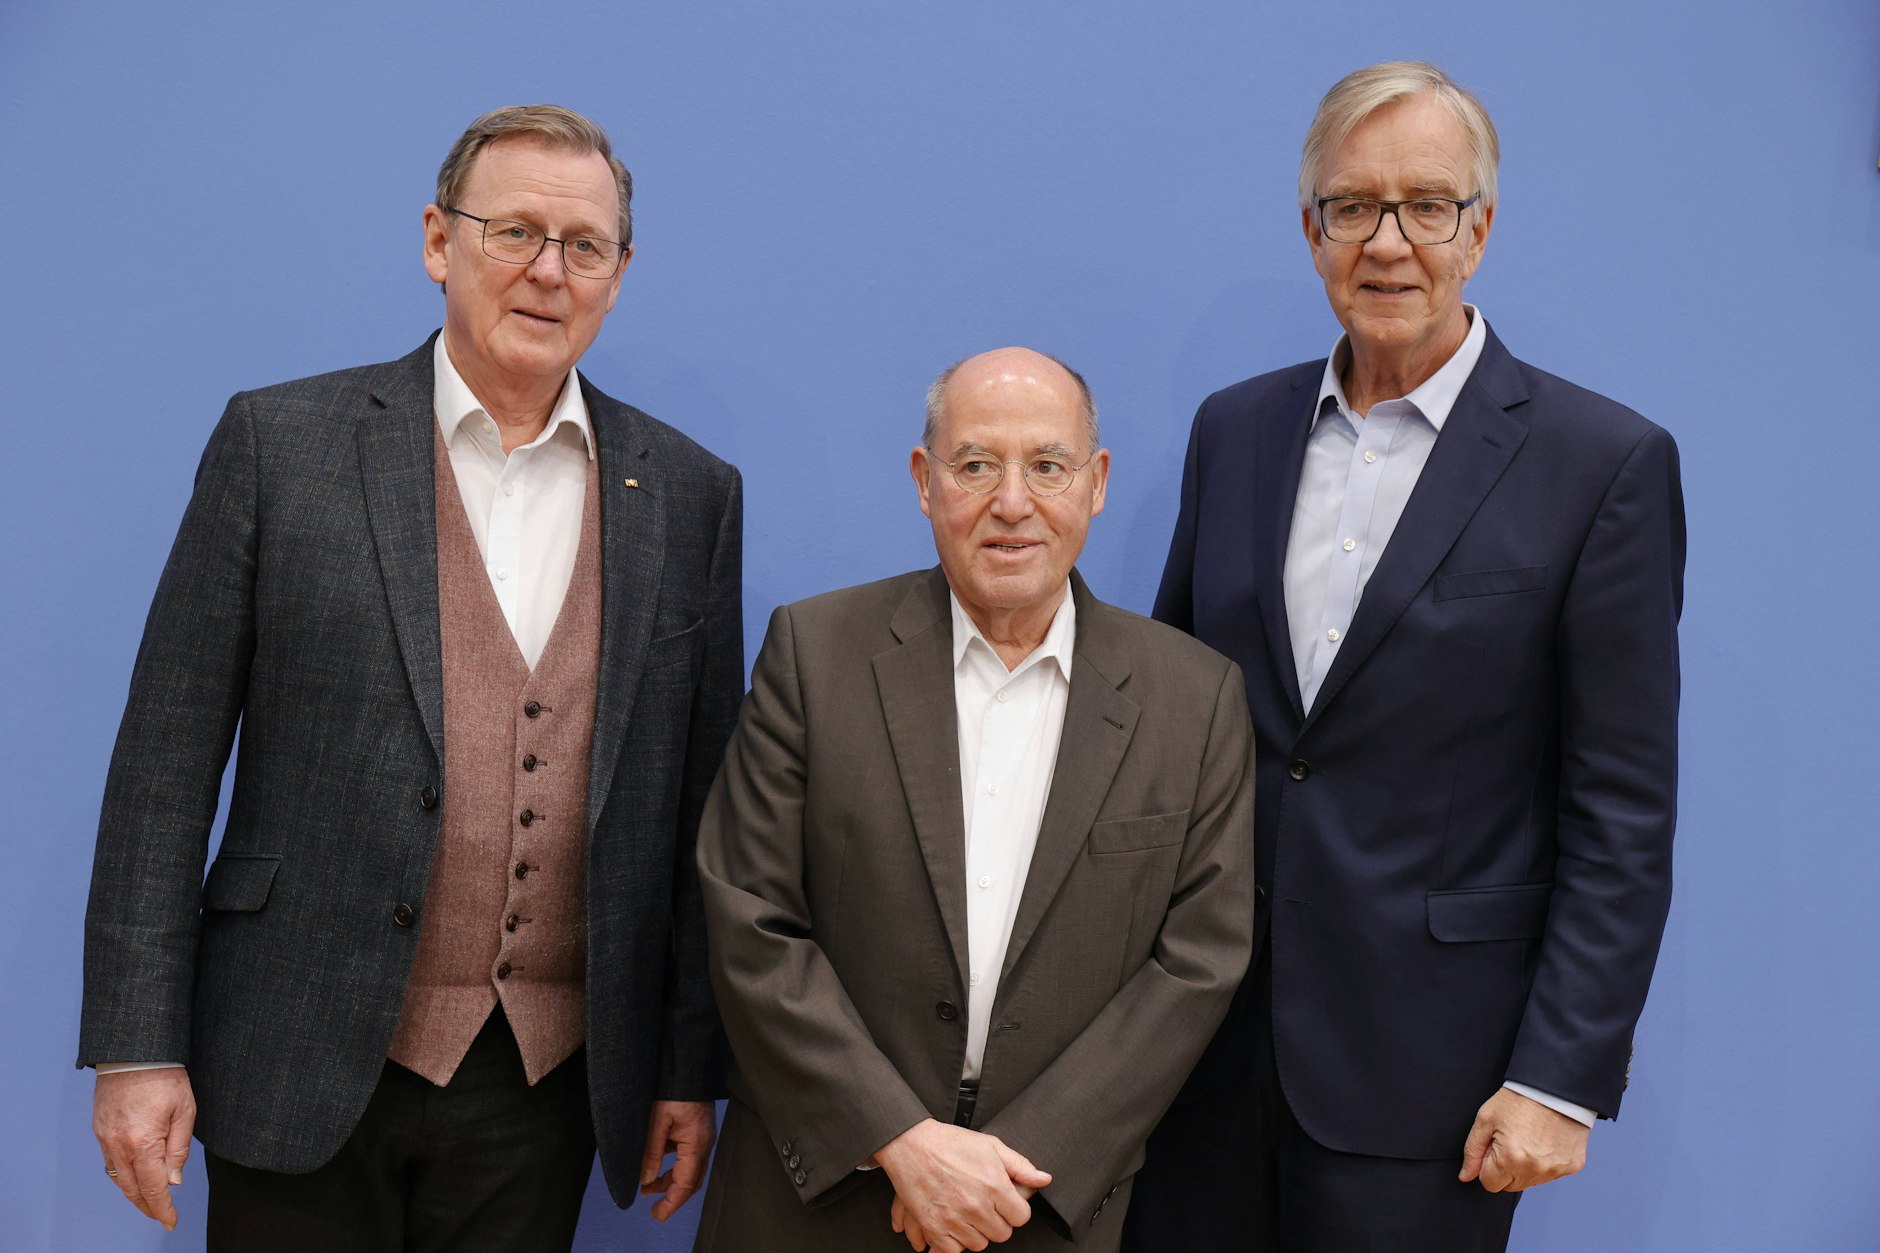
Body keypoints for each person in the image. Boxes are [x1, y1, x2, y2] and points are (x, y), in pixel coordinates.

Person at [80, 104, 742, 1250]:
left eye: (583, 246)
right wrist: (140, 1043)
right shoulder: (280, 444)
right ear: (439, 241)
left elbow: (699, 816)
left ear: (619, 274)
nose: (548, 270)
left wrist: (686, 1064)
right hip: (295, 1038)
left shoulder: (688, 491)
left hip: (545, 1079)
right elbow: (164, 760)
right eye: (513, 231)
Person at [1124, 61, 1685, 1252]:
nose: (1388, 242)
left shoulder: (1601, 464)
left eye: (1425, 204)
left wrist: (1559, 1073)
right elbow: (1170, 729)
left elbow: (1619, 809)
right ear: (1310, 228)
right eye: (1352, 206)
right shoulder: (1233, 430)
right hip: (1197, 1058)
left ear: (1477, 230)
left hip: (1431, 1081)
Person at [692, 347, 1254, 1253]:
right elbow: (749, 916)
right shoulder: (814, 652)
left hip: (1041, 1207)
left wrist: (1005, 1167)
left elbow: (1199, 961)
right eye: (977, 465)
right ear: (925, 481)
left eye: (1048, 465)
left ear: (1097, 483)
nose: (1012, 503)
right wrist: (904, 1142)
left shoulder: (1195, 699)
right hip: (819, 1198)